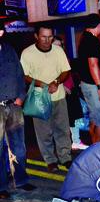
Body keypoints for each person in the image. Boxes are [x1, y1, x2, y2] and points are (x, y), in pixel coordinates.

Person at [20, 23, 72, 172]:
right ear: (36, 36)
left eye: (50, 37)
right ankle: (50, 160)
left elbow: (65, 70)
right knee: (44, 132)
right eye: (43, 37)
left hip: (59, 97)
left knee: (62, 129)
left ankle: (65, 157)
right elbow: (24, 75)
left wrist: (57, 82)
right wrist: (40, 83)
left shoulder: (58, 50)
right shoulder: (27, 53)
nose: (47, 40)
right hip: (39, 99)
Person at [0, 21, 36, 199]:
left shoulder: (9, 50)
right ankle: (1, 187)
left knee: (19, 147)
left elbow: (19, 74)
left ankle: (20, 180)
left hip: (14, 105)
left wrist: (21, 96)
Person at [77, 13, 100, 144]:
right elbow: (93, 64)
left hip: (88, 84)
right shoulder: (92, 41)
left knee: (95, 116)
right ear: (98, 26)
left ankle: (93, 144)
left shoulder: (84, 39)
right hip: (94, 86)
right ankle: (97, 150)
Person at [53, 36, 88, 150]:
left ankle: (75, 141)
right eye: (56, 45)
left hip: (71, 92)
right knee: (63, 119)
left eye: (60, 45)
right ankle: (65, 144)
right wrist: (63, 87)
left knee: (73, 117)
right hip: (61, 93)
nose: (58, 47)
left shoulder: (64, 57)